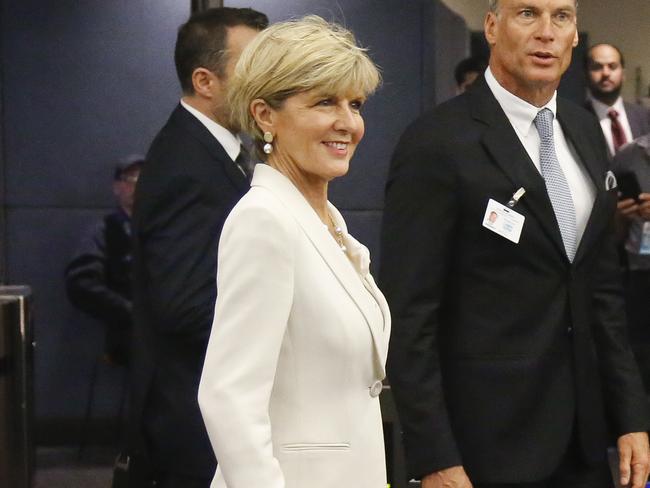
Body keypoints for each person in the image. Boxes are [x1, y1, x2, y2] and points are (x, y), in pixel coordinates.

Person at [380, 1, 650, 487]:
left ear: (574, 36)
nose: (546, 33)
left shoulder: (585, 131)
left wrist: (631, 415)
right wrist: (432, 454)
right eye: (527, 14)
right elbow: (409, 314)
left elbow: (602, 293)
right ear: (491, 26)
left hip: (585, 444)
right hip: (484, 446)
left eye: (561, 17)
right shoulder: (437, 143)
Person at [197, 16, 389, 488]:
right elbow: (228, 398)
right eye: (325, 102)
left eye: (355, 104)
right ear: (265, 115)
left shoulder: (329, 225)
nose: (348, 123)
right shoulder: (264, 220)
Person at [128, 7, 268, 488]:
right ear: (206, 81)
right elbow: (184, 308)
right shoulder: (186, 164)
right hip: (194, 426)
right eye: (252, 67)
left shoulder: (220, 150)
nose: (266, 81)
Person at [65, 155, 142, 366]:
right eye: (130, 179)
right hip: (126, 344)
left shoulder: (165, 229)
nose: (136, 185)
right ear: (116, 186)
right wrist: (127, 310)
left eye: (143, 179)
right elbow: (81, 282)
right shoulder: (105, 231)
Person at [612, 134, 650, 391]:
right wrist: (619, 214)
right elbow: (607, 224)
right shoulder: (629, 154)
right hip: (638, 271)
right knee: (639, 358)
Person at [585, 43, 650, 155]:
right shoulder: (577, 120)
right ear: (586, 74)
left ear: (623, 74)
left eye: (612, 66)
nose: (606, 73)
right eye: (597, 67)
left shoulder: (645, 117)